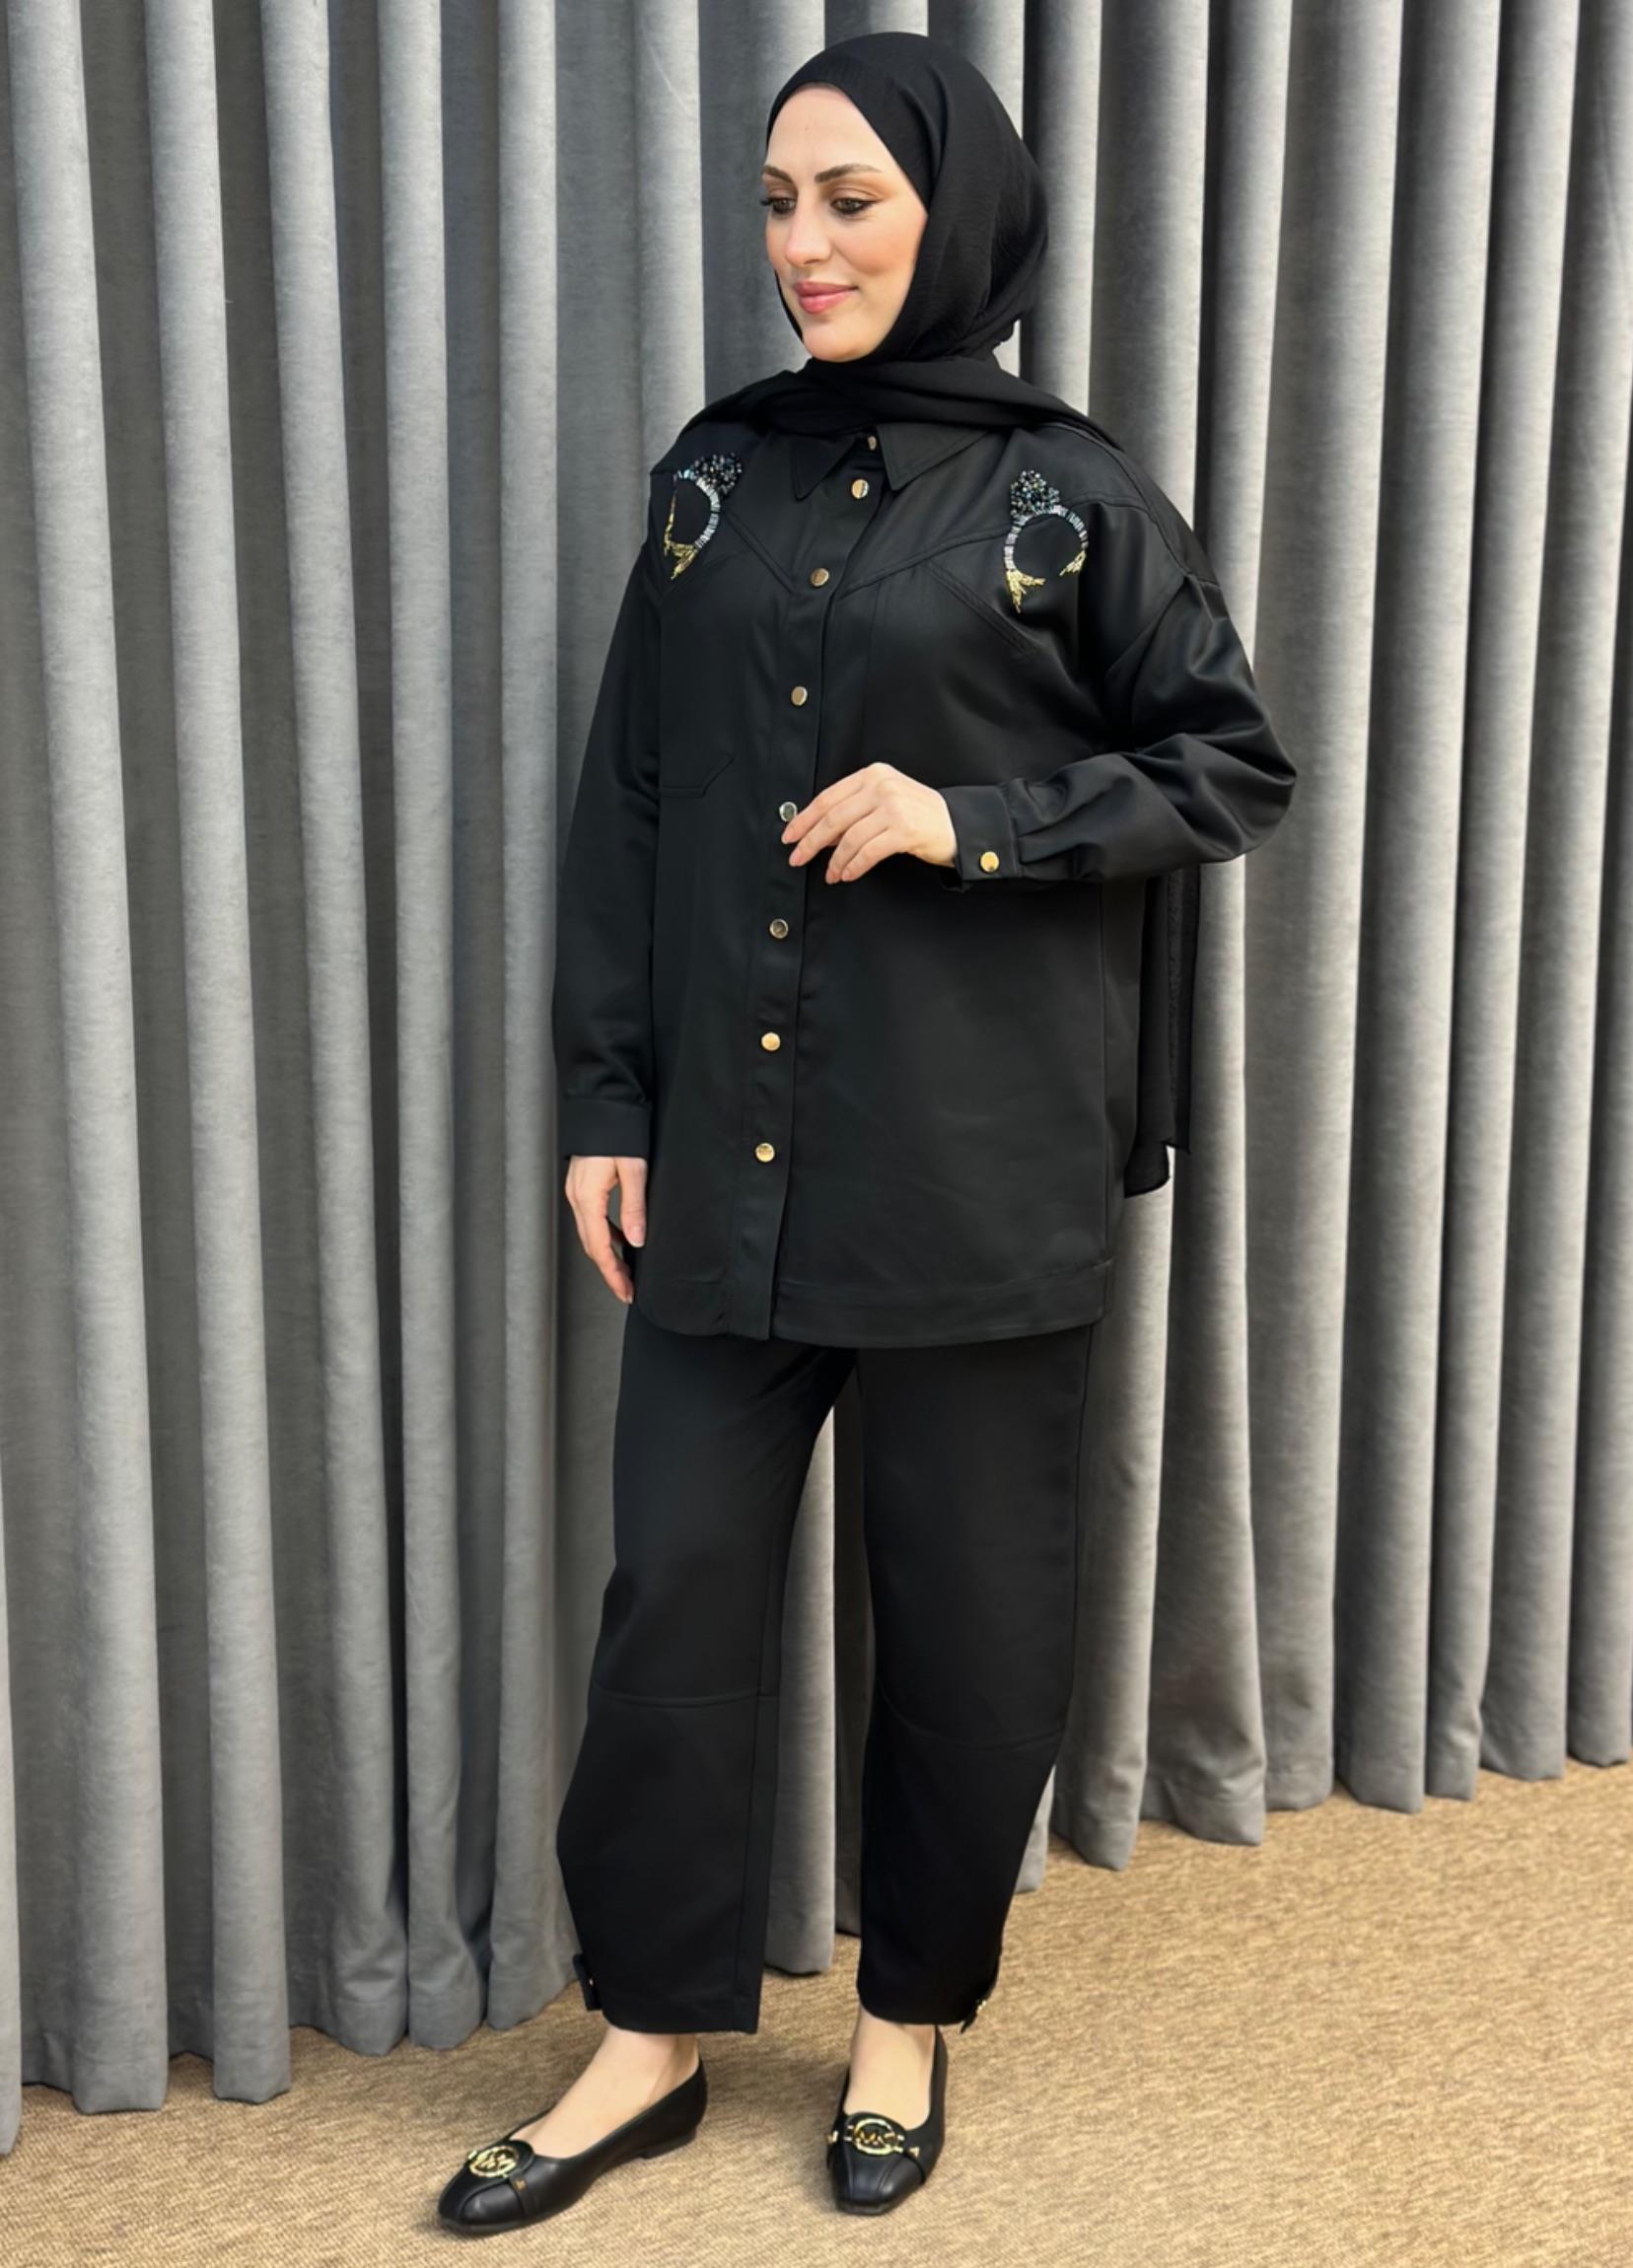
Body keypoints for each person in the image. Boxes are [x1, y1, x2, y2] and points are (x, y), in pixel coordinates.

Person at [437, 27, 1296, 2236]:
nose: (802, 246)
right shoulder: (712, 479)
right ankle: (647, 2037)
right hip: (726, 1153)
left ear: (956, 218)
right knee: (673, 1596)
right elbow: (634, 798)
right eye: (776, 203)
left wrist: (972, 820)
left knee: (972, 1626)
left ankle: (909, 2018)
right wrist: (607, 1098)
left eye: (850, 202)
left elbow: (1229, 764)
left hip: (976, 1167)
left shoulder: (1069, 497)